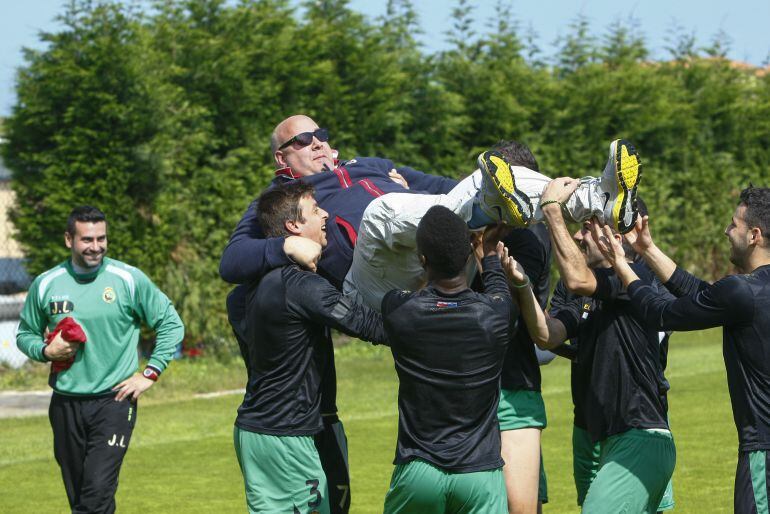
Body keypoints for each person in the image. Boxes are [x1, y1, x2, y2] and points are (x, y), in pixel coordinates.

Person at [593, 185, 770, 514]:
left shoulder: (741, 292)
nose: (726, 230)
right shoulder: (747, 294)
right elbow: (701, 294)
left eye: (734, 225)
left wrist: (622, 265)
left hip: (764, 453)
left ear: (754, 235)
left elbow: (659, 311)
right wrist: (647, 249)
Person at [507, 171, 676, 514]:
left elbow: (577, 277)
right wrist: (522, 287)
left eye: (586, 227)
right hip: (595, 428)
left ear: (613, 237)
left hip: (638, 430)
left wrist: (552, 210)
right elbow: (547, 334)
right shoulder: (579, 287)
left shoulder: (636, 279)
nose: (580, 235)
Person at [15, 206, 184, 514]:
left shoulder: (127, 279)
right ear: (69, 239)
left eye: (101, 238)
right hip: (65, 404)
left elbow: (171, 323)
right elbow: (25, 334)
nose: (96, 247)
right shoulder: (46, 283)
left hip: (114, 402)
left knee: (95, 495)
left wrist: (150, 373)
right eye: (87, 239)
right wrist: (44, 351)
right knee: (84, 498)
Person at [234, 182, 387, 514]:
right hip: (288, 435)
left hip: (253, 430)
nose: (325, 214)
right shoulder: (301, 285)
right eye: (316, 210)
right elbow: (366, 324)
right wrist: (428, 321)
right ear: (294, 226)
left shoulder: (257, 283)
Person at [380, 205, 518, 513]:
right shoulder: (495, 314)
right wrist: (490, 253)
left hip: (419, 471)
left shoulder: (399, 311)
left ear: (423, 260)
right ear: (468, 256)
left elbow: (413, 294)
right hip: (479, 473)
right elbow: (499, 291)